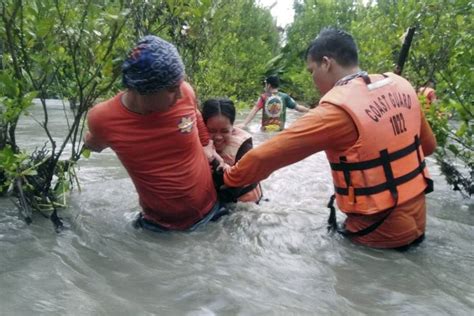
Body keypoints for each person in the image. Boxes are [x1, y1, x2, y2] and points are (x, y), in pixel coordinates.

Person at [220, 28, 437, 249]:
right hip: (418, 224)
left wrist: (228, 177)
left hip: (376, 236)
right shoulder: (403, 86)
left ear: (327, 63)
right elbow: (428, 147)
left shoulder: (336, 111)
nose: (313, 79)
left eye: (312, 70)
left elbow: (264, 158)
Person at [84, 35, 227, 232]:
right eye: (171, 89)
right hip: (159, 228)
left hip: (213, 212)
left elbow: (195, 115)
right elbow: (94, 143)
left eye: (179, 85)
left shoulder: (185, 92)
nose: (179, 94)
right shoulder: (103, 119)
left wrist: (206, 144)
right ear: (143, 90)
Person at [202, 98, 262, 203]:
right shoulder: (197, 140)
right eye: (211, 131)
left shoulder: (244, 145)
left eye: (225, 131)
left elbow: (235, 186)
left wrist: (213, 159)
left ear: (232, 128)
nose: (218, 137)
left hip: (243, 202)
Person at [237, 75, 309, 132]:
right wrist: (311, 110)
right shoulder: (285, 97)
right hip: (280, 130)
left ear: (269, 85)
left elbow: (254, 110)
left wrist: (244, 124)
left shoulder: (263, 97)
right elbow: (298, 108)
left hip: (265, 130)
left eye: (265, 84)